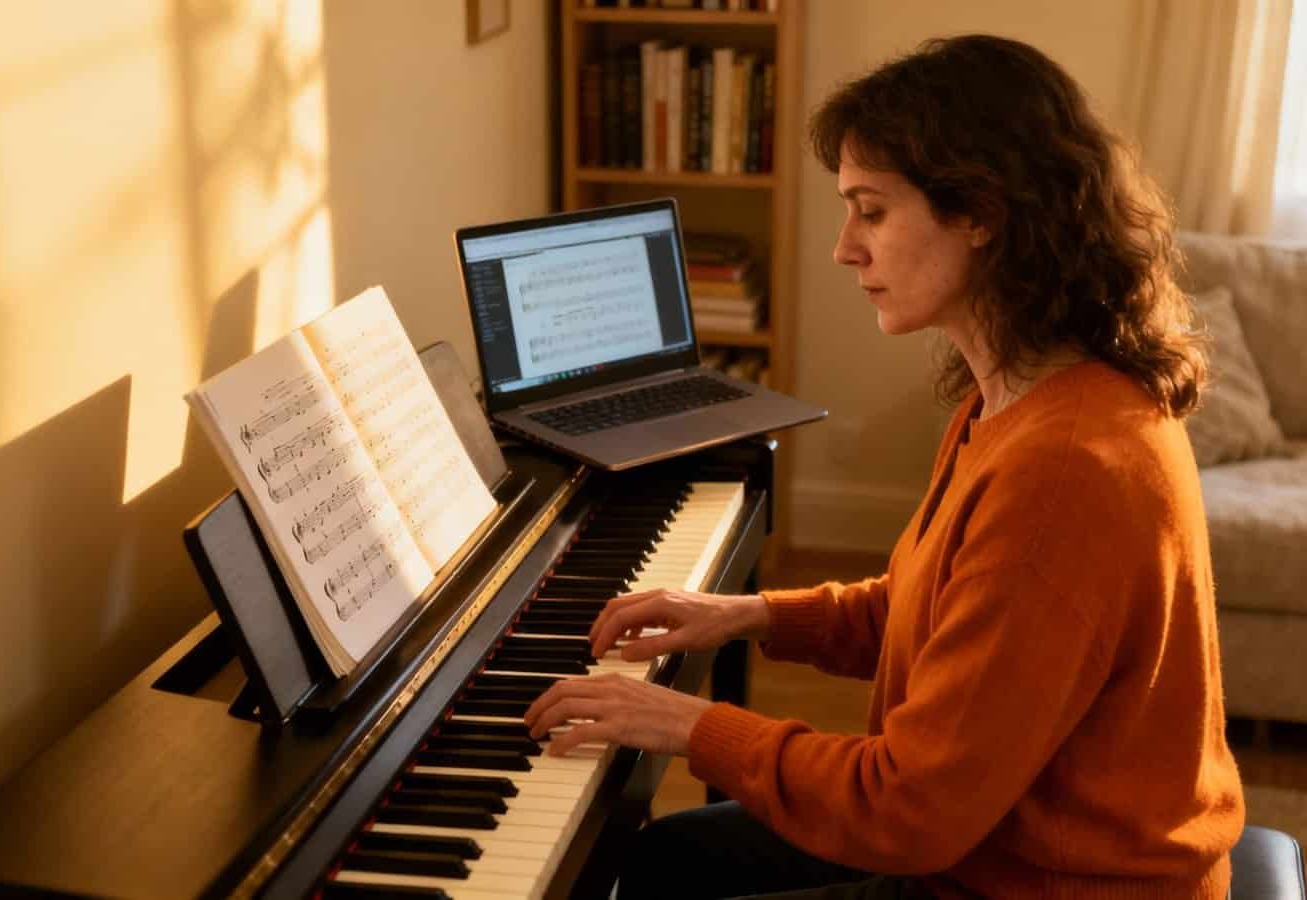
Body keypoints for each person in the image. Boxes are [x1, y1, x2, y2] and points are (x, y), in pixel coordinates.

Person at [525, 34, 1244, 899]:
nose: (844, 247)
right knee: (659, 862)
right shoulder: (1022, 393)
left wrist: (693, 724)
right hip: (987, 840)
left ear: (981, 211)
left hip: (1047, 883)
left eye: (871, 210)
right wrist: (746, 613)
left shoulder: (1064, 473)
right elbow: (935, 611)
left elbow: (907, 808)